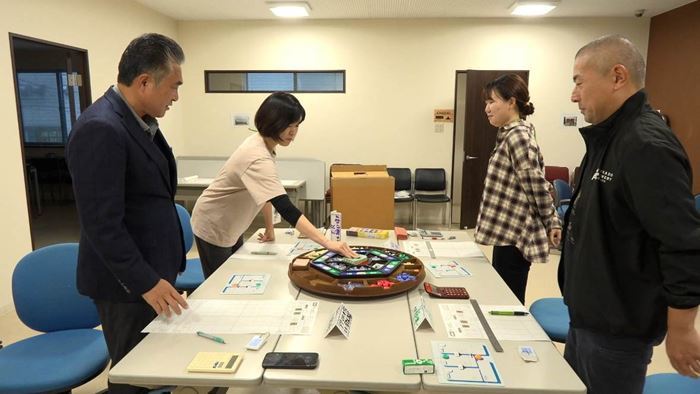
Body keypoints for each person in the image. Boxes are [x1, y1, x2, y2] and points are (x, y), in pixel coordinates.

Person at [560, 34, 700, 393]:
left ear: (617, 76)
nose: (574, 95)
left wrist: (682, 329)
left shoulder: (646, 144)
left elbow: (682, 243)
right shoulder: (608, 137)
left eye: (579, 81)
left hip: (617, 328)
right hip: (588, 316)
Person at [66, 33, 188, 394]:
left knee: (154, 366)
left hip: (151, 271)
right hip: (127, 283)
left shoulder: (139, 120)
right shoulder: (101, 128)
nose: (176, 97)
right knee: (134, 374)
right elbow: (101, 224)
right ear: (145, 82)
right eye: (173, 86)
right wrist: (146, 282)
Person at [191, 92, 356, 278]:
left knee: (232, 274)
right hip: (214, 223)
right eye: (288, 125)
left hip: (232, 223)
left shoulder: (264, 145)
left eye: (297, 126)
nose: (293, 132)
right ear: (272, 121)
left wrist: (269, 227)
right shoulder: (257, 156)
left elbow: (264, 192)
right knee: (219, 283)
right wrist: (327, 243)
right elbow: (285, 207)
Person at [474, 74, 562, 304]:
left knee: (509, 302)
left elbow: (536, 186)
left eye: (492, 102)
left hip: (516, 236)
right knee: (502, 296)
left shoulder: (518, 137)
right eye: (486, 103)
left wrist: (552, 220)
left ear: (511, 102)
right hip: (507, 233)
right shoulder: (508, 134)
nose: (487, 108)